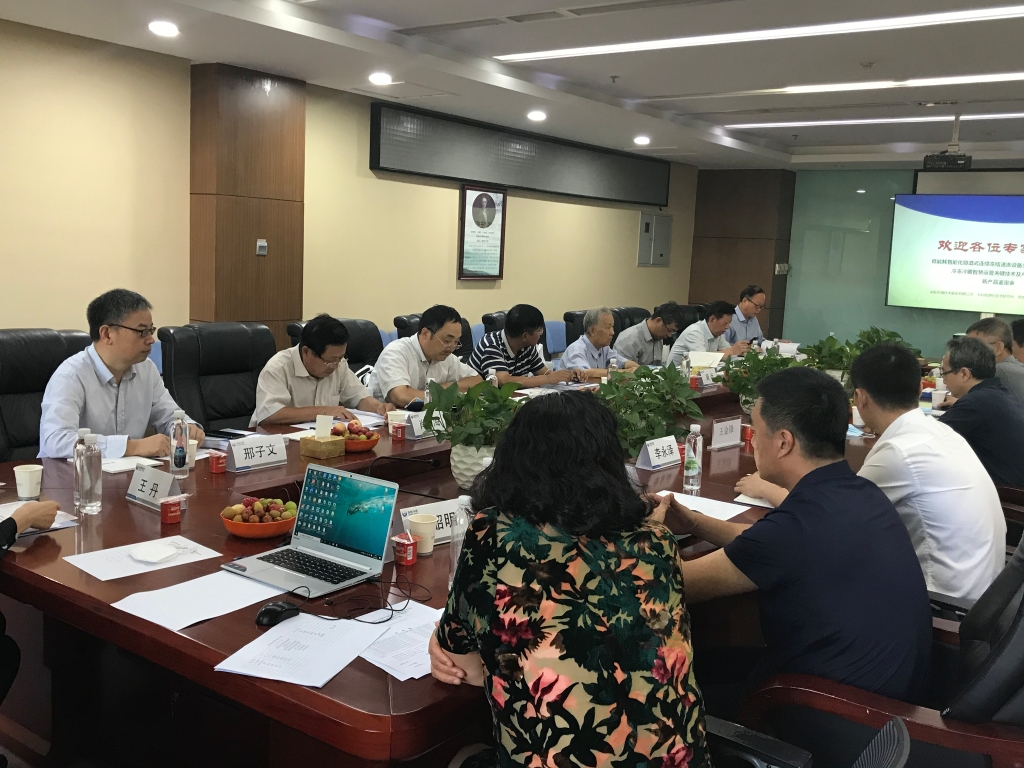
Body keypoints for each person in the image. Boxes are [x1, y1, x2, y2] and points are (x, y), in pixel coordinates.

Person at [428, 392, 711, 768]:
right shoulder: (658, 540)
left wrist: (440, 639)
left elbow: (463, 666)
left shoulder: (492, 534)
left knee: (461, 756)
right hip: (678, 760)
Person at [664, 367, 931, 705]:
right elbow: (763, 542)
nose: (753, 441)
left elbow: (668, 584)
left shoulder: (793, 530)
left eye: (756, 431)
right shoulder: (860, 492)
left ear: (783, 442)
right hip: (886, 697)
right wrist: (696, 523)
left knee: (670, 678)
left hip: (822, 710)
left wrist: (647, 533)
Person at [737, 343, 1005, 601]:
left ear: (860, 398)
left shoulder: (898, 454)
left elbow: (825, 520)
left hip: (941, 604)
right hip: (984, 595)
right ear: (919, 388)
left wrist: (765, 488)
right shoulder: (940, 432)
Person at [39, 289, 204, 459]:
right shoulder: (71, 376)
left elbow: (169, 416)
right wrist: (131, 446)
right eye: (142, 331)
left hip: (127, 472)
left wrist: (187, 428)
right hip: (71, 473)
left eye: (151, 330)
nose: (151, 339)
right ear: (107, 334)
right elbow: (56, 440)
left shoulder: (146, 369)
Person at [251, 314, 392, 426]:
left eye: (340, 357)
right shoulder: (278, 367)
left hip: (321, 439)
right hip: (279, 442)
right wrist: (323, 411)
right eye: (328, 361)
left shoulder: (339, 364)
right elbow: (270, 414)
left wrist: (379, 407)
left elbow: (359, 397)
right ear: (306, 351)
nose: (335, 366)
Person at [938, 335, 1024, 487]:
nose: (944, 380)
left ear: (964, 374)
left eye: (944, 373)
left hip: (1006, 493)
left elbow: (931, 438)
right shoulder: (999, 391)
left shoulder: (974, 403)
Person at [368, 305, 481, 408]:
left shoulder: (446, 357)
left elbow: (478, 381)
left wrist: (446, 387)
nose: (451, 347)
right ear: (425, 333)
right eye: (447, 340)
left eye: (456, 342)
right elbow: (401, 396)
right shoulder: (396, 352)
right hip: (387, 420)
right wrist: (442, 394)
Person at [469, 304, 574, 389]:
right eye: (540, 330)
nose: (541, 334)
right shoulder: (491, 345)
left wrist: (567, 375)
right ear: (525, 336)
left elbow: (544, 373)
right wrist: (547, 379)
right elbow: (504, 382)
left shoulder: (528, 346)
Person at [561, 307, 638, 379]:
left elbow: (625, 363)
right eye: (608, 328)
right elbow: (586, 375)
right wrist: (627, 372)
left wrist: (637, 369)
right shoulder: (576, 350)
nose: (612, 332)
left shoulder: (604, 348)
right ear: (592, 331)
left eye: (612, 327)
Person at [667, 301, 749, 365]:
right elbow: (702, 359)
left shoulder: (717, 334)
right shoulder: (694, 332)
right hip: (676, 377)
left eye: (729, 323)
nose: (728, 327)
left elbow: (729, 353)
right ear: (712, 319)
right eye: (725, 323)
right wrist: (732, 351)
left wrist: (740, 352)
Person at [967, 317, 1024, 405]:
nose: (967, 352)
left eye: (975, 347)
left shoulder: (998, 371)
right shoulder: (1014, 367)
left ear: (998, 348)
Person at [614, 301, 684, 365]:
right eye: (669, 330)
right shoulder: (629, 339)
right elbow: (622, 371)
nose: (669, 335)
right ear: (658, 320)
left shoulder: (658, 336)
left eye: (673, 332)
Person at [723, 285, 788, 347]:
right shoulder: (729, 317)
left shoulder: (753, 319)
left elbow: (760, 341)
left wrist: (775, 343)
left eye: (761, 306)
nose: (759, 309)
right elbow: (721, 346)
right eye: (757, 305)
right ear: (745, 301)